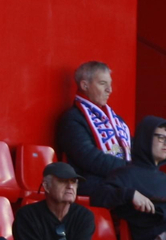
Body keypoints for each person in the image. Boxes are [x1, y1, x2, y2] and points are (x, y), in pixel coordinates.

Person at [57, 61, 136, 199]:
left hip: (118, 181)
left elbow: (135, 148)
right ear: (84, 85)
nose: (109, 90)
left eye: (109, 84)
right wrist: (130, 170)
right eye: (103, 83)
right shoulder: (72, 119)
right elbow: (89, 158)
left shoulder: (116, 120)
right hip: (91, 184)